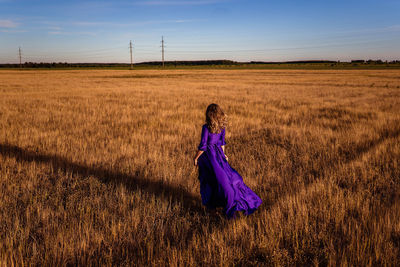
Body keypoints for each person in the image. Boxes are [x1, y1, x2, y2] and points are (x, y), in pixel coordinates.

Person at [193, 104, 262, 219]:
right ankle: (218, 206)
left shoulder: (206, 128)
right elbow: (222, 142)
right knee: (224, 178)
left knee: (210, 181)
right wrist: (223, 154)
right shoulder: (221, 127)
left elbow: (203, 146)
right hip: (218, 155)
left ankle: (215, 206)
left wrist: (196, 158)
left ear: (209, 115)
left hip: (209, 157)